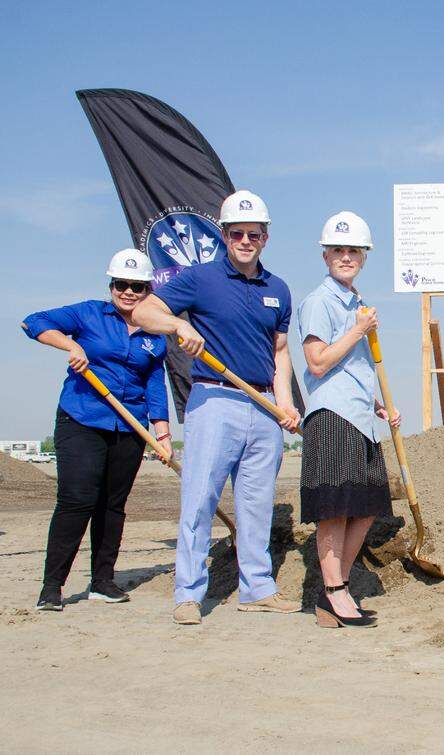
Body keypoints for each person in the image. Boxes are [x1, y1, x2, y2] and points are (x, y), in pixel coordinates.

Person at [133, 189, 302, 625]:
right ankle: (188, 594)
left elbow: (281, 352)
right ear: (224, 235)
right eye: (237, 233)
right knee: (199, 501)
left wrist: (284, 404)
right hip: (213, 399)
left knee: (257, 503)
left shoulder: (278, 289)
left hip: (263, 405)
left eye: (255, 234)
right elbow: (144, 313)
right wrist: (177, 324)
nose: (246, 240)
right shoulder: (199, 278)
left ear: (265, 238)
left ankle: (257, 588)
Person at [22, 249, 170, 610]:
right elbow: (33, 322)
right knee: (77, 501)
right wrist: (70, 343)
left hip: (129, 426)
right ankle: (52, 587)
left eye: (137, 286)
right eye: (122, 284)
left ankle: (103, 581)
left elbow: (154, 382)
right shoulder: (88, 313)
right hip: (82, 420)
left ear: (148, 288)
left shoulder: (156, 330)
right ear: (111, 285)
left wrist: (162, 433)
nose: (129, 292)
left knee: (112, 505)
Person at [298, 212, 401, 629]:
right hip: (331, 415)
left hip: (359, 415)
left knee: (366, 507)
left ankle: (335, 588)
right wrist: (358, 331)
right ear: (325, 256)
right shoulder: (319, 302)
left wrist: (377, 403)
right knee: (334, 508)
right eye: (338, 250)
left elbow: (351, 367)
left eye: (353, 251)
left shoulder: (356, 303)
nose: (345, 257)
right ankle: (334, 592)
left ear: (363, 256)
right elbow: (318, 362)